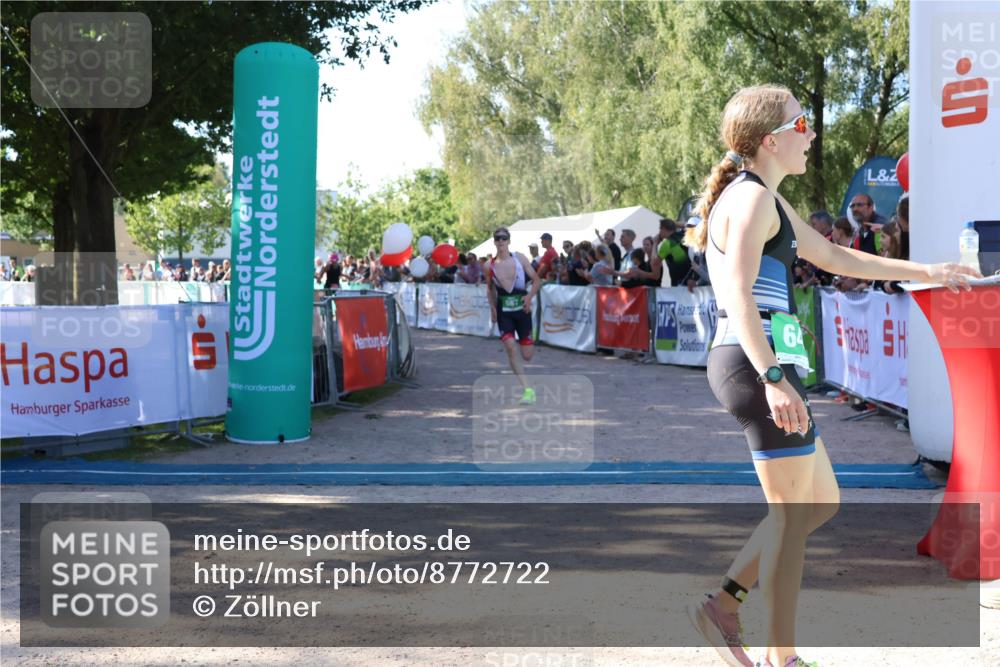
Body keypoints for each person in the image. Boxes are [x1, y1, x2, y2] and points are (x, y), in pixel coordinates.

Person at [682, 84, 979, 667]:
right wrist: (772, 376)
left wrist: (930, 270)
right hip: (753, 363)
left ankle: (724, 603)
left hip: (762, 362)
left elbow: (836, 257)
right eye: (801, 125)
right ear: (772, 140)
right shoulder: (751, 201)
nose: (810, 134)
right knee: (794, 517)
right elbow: (738, 296)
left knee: (819, 503)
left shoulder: (763, 195)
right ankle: (780, 657)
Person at [486, 226, 541, 405]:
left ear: (509, 241)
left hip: (522, 310)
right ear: (494, 242)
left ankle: (528, 339)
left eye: (504, 238)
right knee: (510, 347)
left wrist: (529, 296)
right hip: (504, 312)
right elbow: (489, 288)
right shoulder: (489, 265)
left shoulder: (520, 258)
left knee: (527, 355)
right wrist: (492, 307)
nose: (501, 241)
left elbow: (537, 280)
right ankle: (528, 389)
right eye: (498, 238)